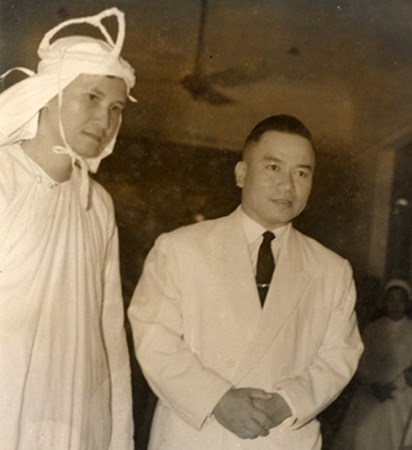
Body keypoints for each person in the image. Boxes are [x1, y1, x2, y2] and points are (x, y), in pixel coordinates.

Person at [128, 114, 364, 449]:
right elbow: (154, 337)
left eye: (301, 173)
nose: (287, 185)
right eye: (273, 167)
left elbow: (340, 354)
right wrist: (218, 400)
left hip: (282, 436)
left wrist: (288, 402)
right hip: (197, 434)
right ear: (241, 174)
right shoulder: (181, 248)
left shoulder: (332, 270)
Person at [0, 8, 135, 449]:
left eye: (115, 108)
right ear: (48, 94)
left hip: (75, 415)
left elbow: (109, 331)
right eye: (91, 97)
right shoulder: (3, 177)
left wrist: (116, 435)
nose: (104, 120)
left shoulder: (98, 205)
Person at [332, 279, 412, 450]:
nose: (395, 305)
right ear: (384, 302)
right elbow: (361, 362)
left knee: (396, 432)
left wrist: (396, 385)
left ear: (407, 302)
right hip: (372, 391)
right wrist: (373, 385)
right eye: (391, 299)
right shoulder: (372, 329)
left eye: (400, 300)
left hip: (403, 392)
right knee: (364, 433)